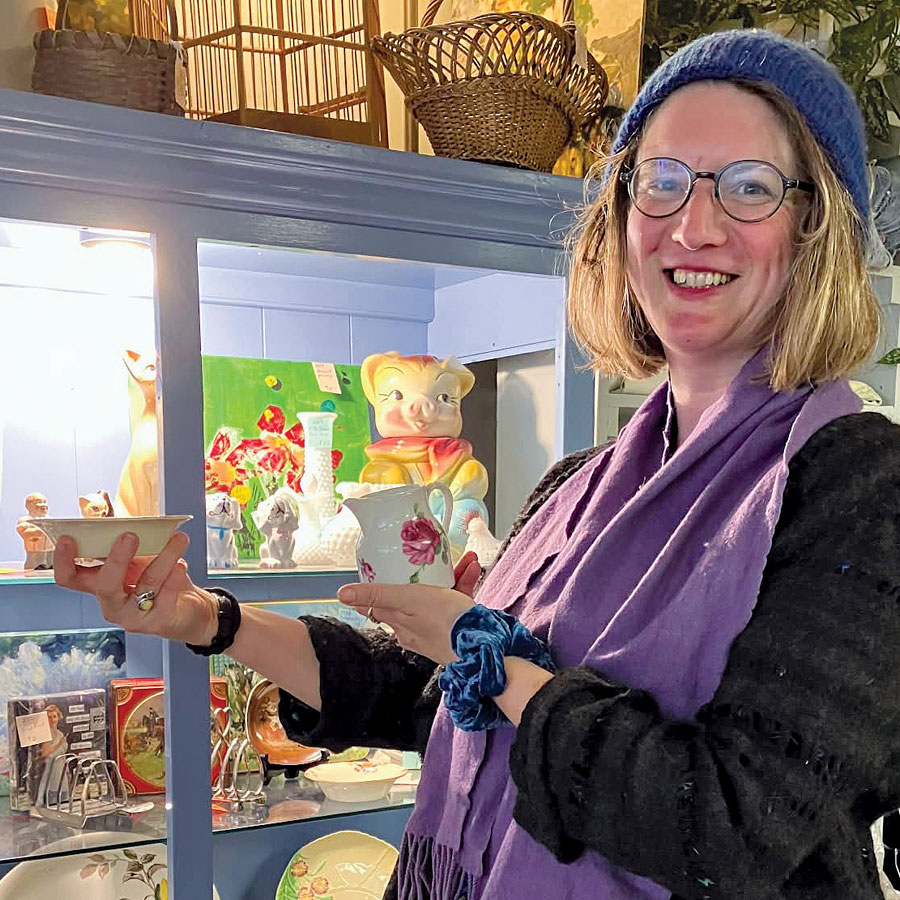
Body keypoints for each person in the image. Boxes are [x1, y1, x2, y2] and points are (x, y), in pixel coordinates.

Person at [53, 28, 900, 900]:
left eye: (751, 187)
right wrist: (210, 619)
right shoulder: (578, 489)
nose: (693, 225)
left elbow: (730, 825)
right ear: (621, 219)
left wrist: (492, 661)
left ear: (817, 229)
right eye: (662, 181)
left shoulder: (859, 484)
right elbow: (438, 699)